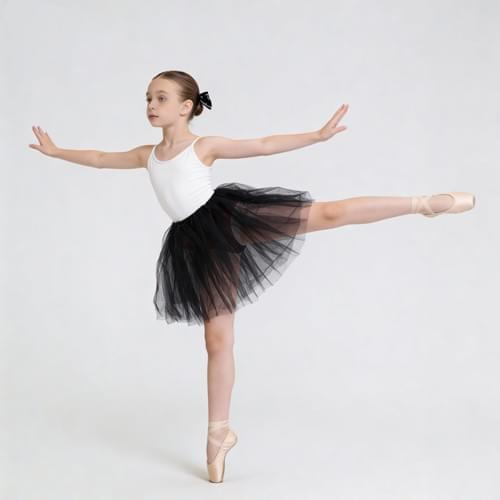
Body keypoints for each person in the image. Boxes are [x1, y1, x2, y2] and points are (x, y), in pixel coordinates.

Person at [29, 69, 476, 483]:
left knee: (328, 213)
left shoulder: (203, 146)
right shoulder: (147, 155)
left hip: (229, 218)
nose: (150, 105)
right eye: (148, 98)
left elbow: (262, 144)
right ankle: (218, 432)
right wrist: (56, 151)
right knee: (217, 340)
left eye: (160, 98)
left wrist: (316, 136)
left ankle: (422, 204)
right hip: (198, 246)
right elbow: (100, 158)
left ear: (185, 106)